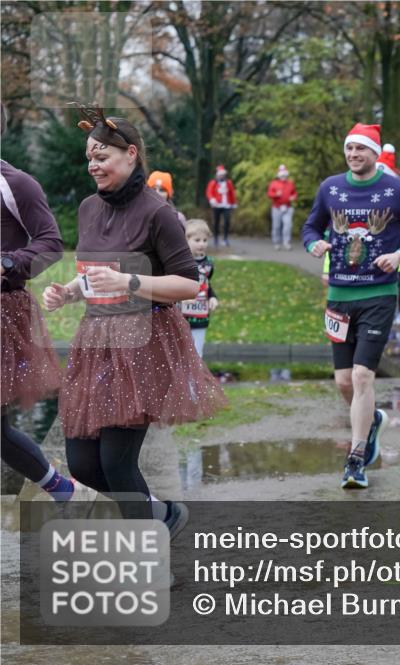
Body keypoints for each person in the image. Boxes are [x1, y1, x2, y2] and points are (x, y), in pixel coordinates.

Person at [43, 103, 226, 532]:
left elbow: (188, 284)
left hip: (143, 343)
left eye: (101, 156)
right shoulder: (89, 208)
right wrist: (69, 292)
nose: (93, 164)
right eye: (89, 156)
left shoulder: (156, 212)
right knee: (83, 463)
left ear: (130, 154)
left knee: (117, 463)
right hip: (96, 343)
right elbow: (94, 270)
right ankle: (163, 514)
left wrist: (130, 283)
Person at [301, 122, 400, 489]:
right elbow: (310, 227)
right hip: (339, 297)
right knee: (343, 381)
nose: (354, 155)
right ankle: (371, 420)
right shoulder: (331, 188)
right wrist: (313, 244)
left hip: (378, 294)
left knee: (362, 376)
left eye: (361, 149)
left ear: (375, 153)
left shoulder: (398, 190)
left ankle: (356, 458)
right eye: (350, 149)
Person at [1, 159, 74, 501]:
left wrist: (8, 262)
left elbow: (51, 243)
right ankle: (61, 489)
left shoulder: (16, 184)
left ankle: (62, 489)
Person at [179, 219, 219, 357]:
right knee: (181, 353)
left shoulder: (209, 264)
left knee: (197, 353)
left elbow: (208, 284)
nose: (201, 244)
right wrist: (181, 298)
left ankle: (195, 379)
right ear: (186, 240)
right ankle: (181, 379)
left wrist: (213, 297)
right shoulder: (181, 262)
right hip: (182, 316)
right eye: (197, 240)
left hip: (201, 317)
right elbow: (173, 285)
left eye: (204, 240)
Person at [267, 164, 298, 251]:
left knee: (288, 225)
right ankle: (276, 243)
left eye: (285, 175)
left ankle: (287, 242)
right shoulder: (274, 183)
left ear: (286, 175)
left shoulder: (290, 183)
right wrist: (276, 195)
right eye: (282, 175)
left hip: (288, 208)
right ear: (279, 175)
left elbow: (294, 193)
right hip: (276, 208)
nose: (283, 177)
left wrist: (293, 197)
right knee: (276, 226)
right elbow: (269, 194)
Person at [205, 164, 236, 247]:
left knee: (227, 222)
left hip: (227, 205)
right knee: (216, 222)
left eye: (223, 175)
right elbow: (209, 192)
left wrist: (233, 203)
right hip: (217, 205)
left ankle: (225, 239)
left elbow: (232, 193)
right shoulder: (213, 183)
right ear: (217, 175)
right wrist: (212, 200)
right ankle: (216, 239)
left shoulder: (228, 183)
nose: (221, 176)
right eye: (220, 175)